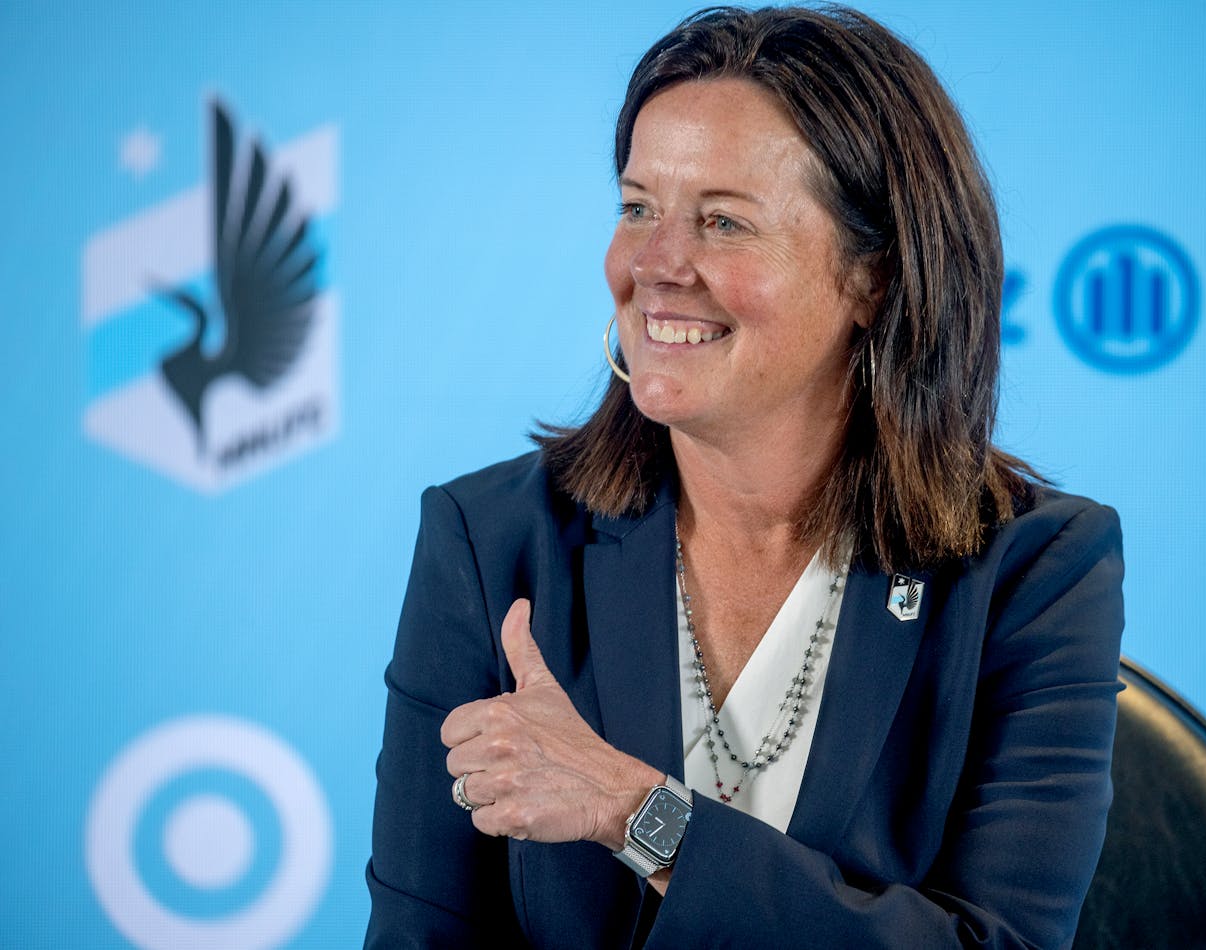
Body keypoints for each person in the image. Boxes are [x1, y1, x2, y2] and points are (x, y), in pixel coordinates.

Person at [365, 6, 1124, 948]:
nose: (653, 265)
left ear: (874, 277)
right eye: (637, 206)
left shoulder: (1035, 567)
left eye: (721, 222)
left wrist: (637, 811)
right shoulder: (491, 541)